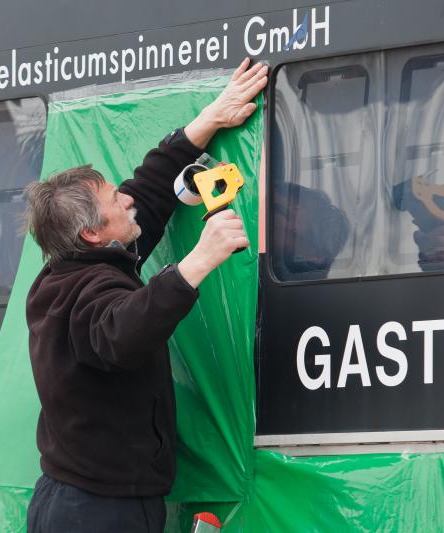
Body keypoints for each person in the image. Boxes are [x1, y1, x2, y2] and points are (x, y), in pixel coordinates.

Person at [24, 58, 268, 533]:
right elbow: (123, 330)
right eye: (116, 200)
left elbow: (149, 192)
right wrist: (200, 259)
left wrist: (209, 120)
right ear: (93, 233)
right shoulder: (83, 295)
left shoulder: (80, 265)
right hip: (95, 513)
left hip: (88, 501)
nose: (127, 199)